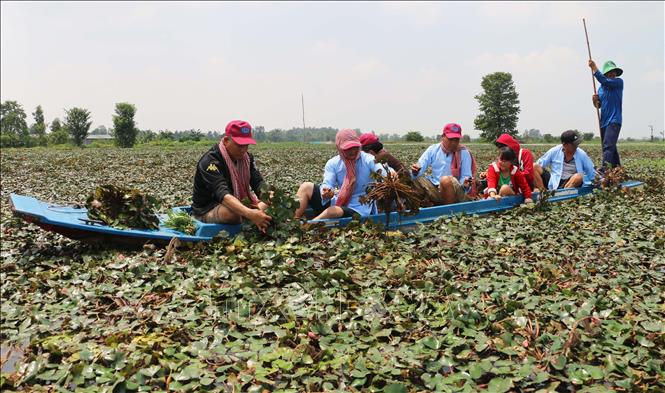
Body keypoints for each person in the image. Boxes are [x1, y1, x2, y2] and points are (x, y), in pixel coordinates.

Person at [191, 120, 272, 232]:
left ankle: (253, 215)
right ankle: (251, 215)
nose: (243, 150)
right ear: (226, 140)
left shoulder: (247, 158)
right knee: (233, 213)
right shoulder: (210, 161)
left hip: (238, 203)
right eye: (239, 145)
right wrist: (249, 213)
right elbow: (223, 194)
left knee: (273, 201)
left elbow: (257, 182)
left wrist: (268, 195)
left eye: (246, 145)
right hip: (209, 209)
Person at [295, 129, 392, 220]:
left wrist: (391, 174)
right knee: (305, 187)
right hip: (339, 202)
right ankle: (294, 221)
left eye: (355, 147)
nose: (353, 151)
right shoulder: (333, 163)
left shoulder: (367, 159)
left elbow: (381, 169)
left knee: (331, 212)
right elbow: (328, 183)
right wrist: (326, 192)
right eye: (348, 148)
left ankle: (307, 227)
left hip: (360, 208)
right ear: (339, 148)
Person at [410, 123, 477, 205]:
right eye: (450, 139)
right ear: (443, 137)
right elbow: (420, 166)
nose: (453, 143)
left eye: (456, 140)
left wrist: (465, 183)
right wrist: (415, 171)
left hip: (457, 192)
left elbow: (466, 176)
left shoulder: (464, 153)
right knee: (412, 180)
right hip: (437, 188)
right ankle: (426, 202)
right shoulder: (433, 149)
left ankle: (448, 210)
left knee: (445, 181)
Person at [589, 59, 624, 171]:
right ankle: (617, 169)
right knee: (611, 147)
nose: (613, 74)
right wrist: (595, 101)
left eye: (614, 72)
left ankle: (604, 170)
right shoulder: (601, 89)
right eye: (610, 72)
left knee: (608, 146)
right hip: (604, 122)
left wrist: (594, 68)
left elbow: (603, 80)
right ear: (606, 73)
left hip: (614, 120)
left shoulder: (618, 82)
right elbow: (599, 106)